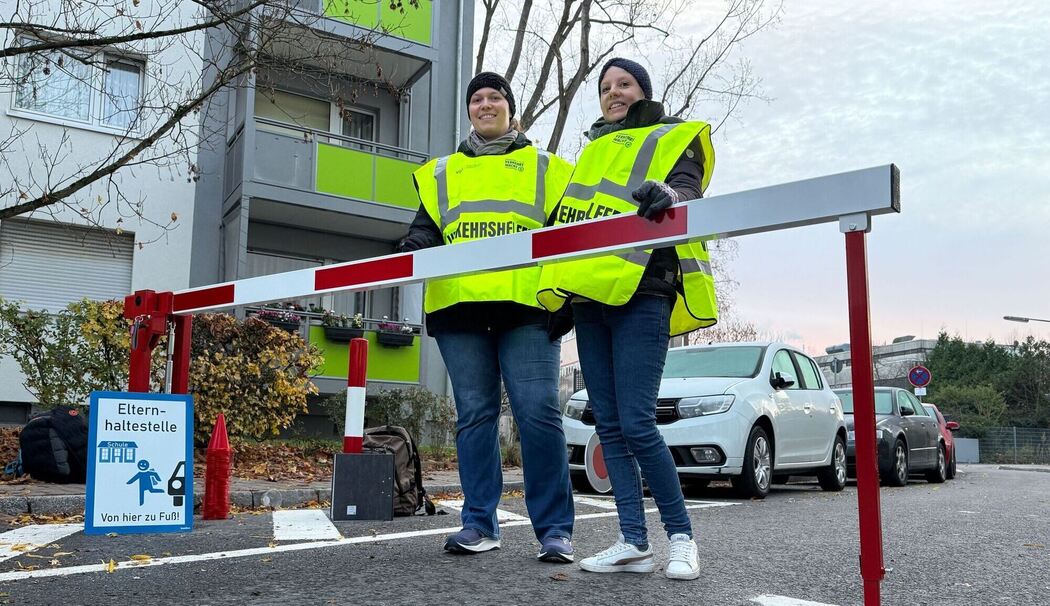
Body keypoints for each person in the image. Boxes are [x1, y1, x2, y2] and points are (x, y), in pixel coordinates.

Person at [537, 58, 718, 580]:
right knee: (610, 425)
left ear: (643, 91)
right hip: (593, 299)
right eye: (606, 87)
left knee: (637, 422)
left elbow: (687, 185)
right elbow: (571, 226)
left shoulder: (674, 135)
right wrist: (564, 302)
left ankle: (681, 538)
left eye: (624, 85)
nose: (614, 93)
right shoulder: (591, 154)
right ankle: (633, 541)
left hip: (645, 288)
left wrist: (671, 196)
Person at [398, 72, 576, 562]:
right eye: (476, 98)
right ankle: (479, 524)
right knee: (474, 417)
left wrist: (568, 300)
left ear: (511, 110)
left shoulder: (548, 168)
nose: (484, 104)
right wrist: (411, 248)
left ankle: (556, 531)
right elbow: (426, 231)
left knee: (538, 415)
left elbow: (571, 235)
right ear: (470, 111)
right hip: (462, 311)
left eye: (494, 97)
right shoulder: (443, 173)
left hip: (528, 309)